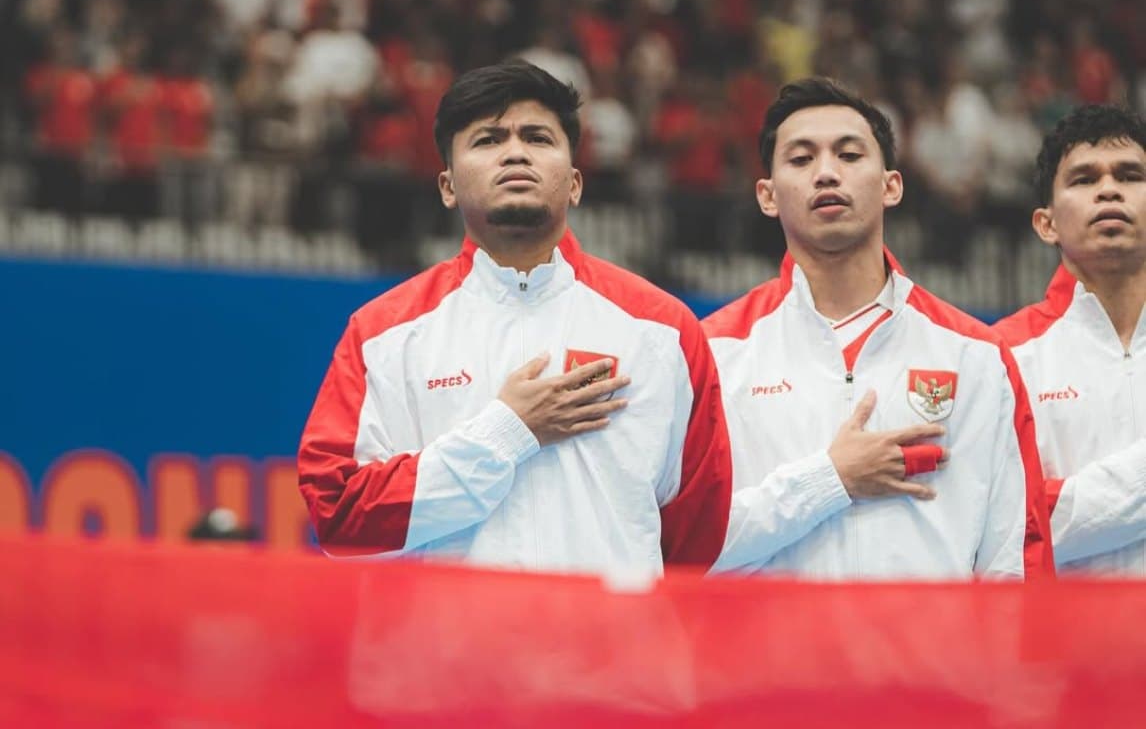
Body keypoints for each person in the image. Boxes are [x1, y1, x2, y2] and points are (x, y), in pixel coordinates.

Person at [297, 61, 732, 576]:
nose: (516, 152)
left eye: (537, 137)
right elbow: (340, 516)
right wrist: (509, 431)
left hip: (610, 654)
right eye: (487, 140)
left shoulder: (662, 330)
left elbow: (695, 538)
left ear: (574, 183)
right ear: (447, 186)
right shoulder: (383, 334)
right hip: (447, 656)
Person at [703, 77, 1054, 578]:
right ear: (768, 196)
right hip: (768, 656)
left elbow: (1014, 550)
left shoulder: (976, 353)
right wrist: (830, 479)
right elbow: (685, 542)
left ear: (891, 185)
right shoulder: (714, 350)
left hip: (929, 656)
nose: (826, 173)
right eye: (801, 160)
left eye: (849, 155)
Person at [992, 104, 1146, 574]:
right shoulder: (999, 355)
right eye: (1083, 180)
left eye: (1129, 175)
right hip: (1059, 643)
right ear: (1047, 223)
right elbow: (1005, 525)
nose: (1108, 190)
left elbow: (1045, 513)